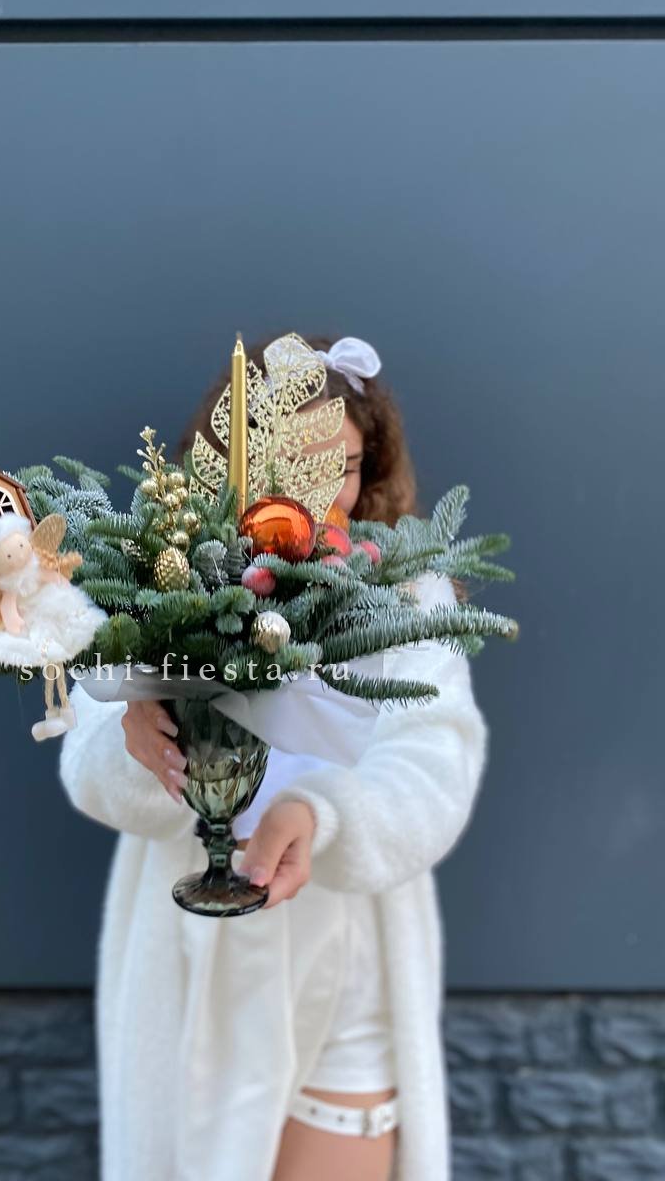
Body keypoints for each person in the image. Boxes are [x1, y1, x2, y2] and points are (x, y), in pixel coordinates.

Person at [58, 333, 489, 1181]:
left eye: (347, 466)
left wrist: (323, 816)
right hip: (196, 969)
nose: (322, 492)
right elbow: (86, 762)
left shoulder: (405, 594)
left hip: (346, 963)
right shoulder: (164, 574)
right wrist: (134, 740)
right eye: (295, 463)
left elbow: (434, 767)